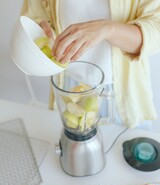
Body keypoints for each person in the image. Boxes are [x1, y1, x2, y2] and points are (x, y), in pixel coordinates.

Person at [20, 0, 160, 128]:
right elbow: (34, 16)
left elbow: (156, 29)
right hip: (69, 86)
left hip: (125, 92)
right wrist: (39, 28)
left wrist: (108, 28)